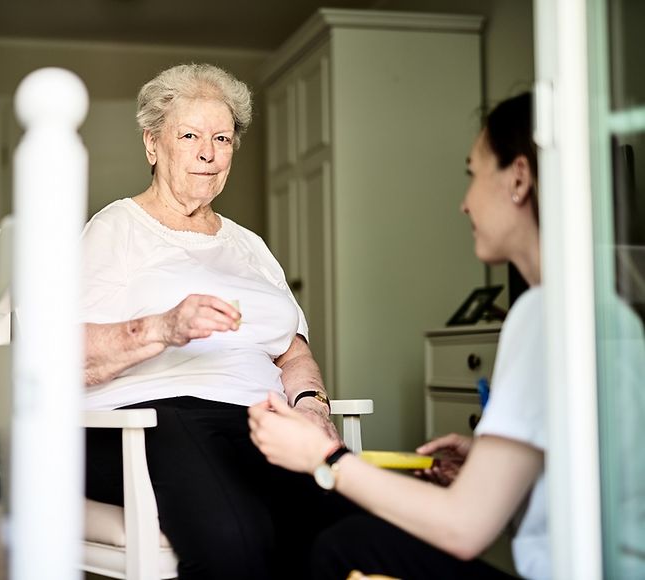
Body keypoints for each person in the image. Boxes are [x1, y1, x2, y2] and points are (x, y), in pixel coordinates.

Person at [249, 92, 644, 579]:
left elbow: (464, 528)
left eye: (472, 174)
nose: (464, 203)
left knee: (346, 546)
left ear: (518, 178)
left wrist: (324, 459)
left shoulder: (544, 313)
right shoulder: (603, 310)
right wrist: (485, 462)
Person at [80, 63, 354, 580]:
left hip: (258, 420)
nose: (208, 153)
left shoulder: (249, 245)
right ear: (152, 145)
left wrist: (312, 406)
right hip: (152, 420)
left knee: (347, 528)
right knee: (236, 539)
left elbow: (292, 351)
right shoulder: (117, 227)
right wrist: (162, 328)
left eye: (222, 138)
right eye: (190, 135)